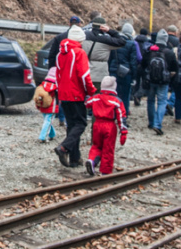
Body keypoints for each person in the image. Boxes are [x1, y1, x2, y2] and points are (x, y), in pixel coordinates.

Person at [54, 26, 96, 168]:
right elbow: (84, 75)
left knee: (72, 125)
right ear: (80, 39)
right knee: (81, 123)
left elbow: (58, 75)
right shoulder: (79, 53)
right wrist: (91, 90)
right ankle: (64, 147)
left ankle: (74, 158)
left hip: (63, 94)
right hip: (76, 93)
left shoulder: (60, 54)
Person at [84, 76, 128, 176]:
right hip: (109, 126)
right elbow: (121, 116)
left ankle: (92, 161)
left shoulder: (96, 98)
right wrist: (123, 131)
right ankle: (105, 171)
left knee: (96, 146)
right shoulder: (116, 101)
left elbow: (87, 103)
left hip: (97, 125)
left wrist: (86, 96)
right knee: (108, 149)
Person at [143, 29, 178, 136]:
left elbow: (143, 64)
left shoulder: (150, 51)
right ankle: (157, 124)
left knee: (151, 101)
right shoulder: (169, 52)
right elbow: (174, 67)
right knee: (162, 101)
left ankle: (151, 123)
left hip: (151, 79)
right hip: (164, 81)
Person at [82, 16, 127, 91]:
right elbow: (122, 41)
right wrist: (109, 31)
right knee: (97, 97)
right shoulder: (106, 39)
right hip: (100, 74)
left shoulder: (83, 36)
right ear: (103, 27)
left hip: (84, 72)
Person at [114, 22, 142, 118]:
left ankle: (114, 115)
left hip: (114, 71)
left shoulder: (115, 41)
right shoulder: (132, 44)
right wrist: (134, 77)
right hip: (127, 73)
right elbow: (133, 62)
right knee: (125, 96)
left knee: (115, 94)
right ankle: (123, 116)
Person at [36, 67, 59, 142]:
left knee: (47, 120)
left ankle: (52, 134)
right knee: (48, 121)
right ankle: (43, 137)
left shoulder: (42, 85)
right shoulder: (56, 87)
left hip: (43, 106)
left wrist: (38, 106)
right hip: (51, 108)